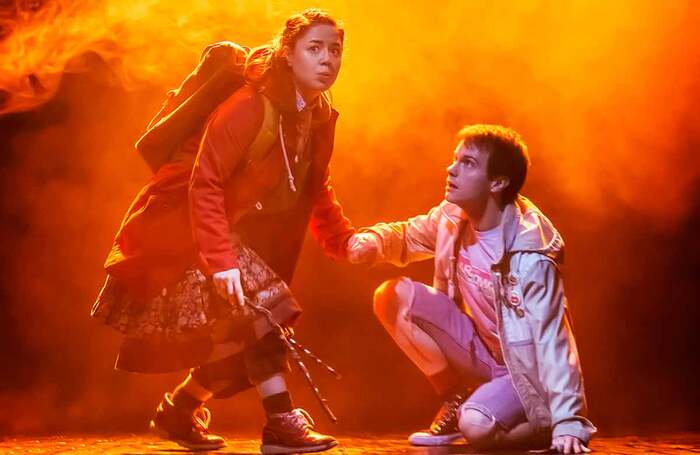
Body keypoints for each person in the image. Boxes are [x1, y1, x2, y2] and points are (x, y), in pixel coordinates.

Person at [92, 9, 354, 454]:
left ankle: (180, 408)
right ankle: (280, 425)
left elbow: (314, 186)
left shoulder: (317, 115)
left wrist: (342, 240)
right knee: (266, 311)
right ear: (288, 55)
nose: (327, 59)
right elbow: (205, 181)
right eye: (315, 48)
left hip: (228, 230)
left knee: (240, 342)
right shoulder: (250, 105)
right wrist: (221, 261)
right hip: (182, 224)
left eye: (335, 50)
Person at [347, 124, 596, 454]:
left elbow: (555, 340)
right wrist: (372, 243)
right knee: (392, 297)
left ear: (498, 182)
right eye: (455, 160)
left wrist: (570, 421)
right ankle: (455, 398)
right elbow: (409, 235)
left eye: (468, 163)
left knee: (476, 427)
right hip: (479, 349)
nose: (452, 169)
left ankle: (544, 425)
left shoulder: (530, 256)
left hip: (522, 370)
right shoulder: (453, 216)